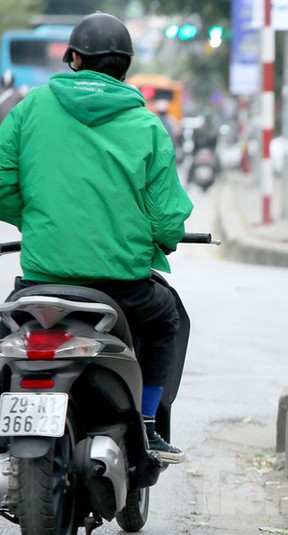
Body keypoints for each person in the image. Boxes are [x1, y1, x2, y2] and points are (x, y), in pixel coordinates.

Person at [0, 12, 193, 464]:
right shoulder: (147, 125)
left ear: (72, 58)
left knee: (7, 332)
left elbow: (3, 184)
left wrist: (39, 219)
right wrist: (161, 238)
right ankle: (147, 427)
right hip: (121, 288)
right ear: (125, 66)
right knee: (165, 321)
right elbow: (167, 220)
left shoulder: (30, 107)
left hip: (43, 281)